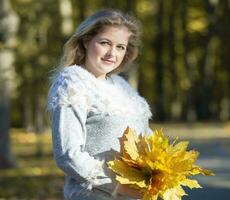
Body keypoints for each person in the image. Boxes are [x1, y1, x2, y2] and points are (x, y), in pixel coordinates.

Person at [47, 9, 152, 200]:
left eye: (121, 47)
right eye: (105, 43)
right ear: (86, 41)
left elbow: (146, 139)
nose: (112, 53)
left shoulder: (122, 87)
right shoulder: (73, 82)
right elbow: (68, 155)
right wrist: (118, 184)